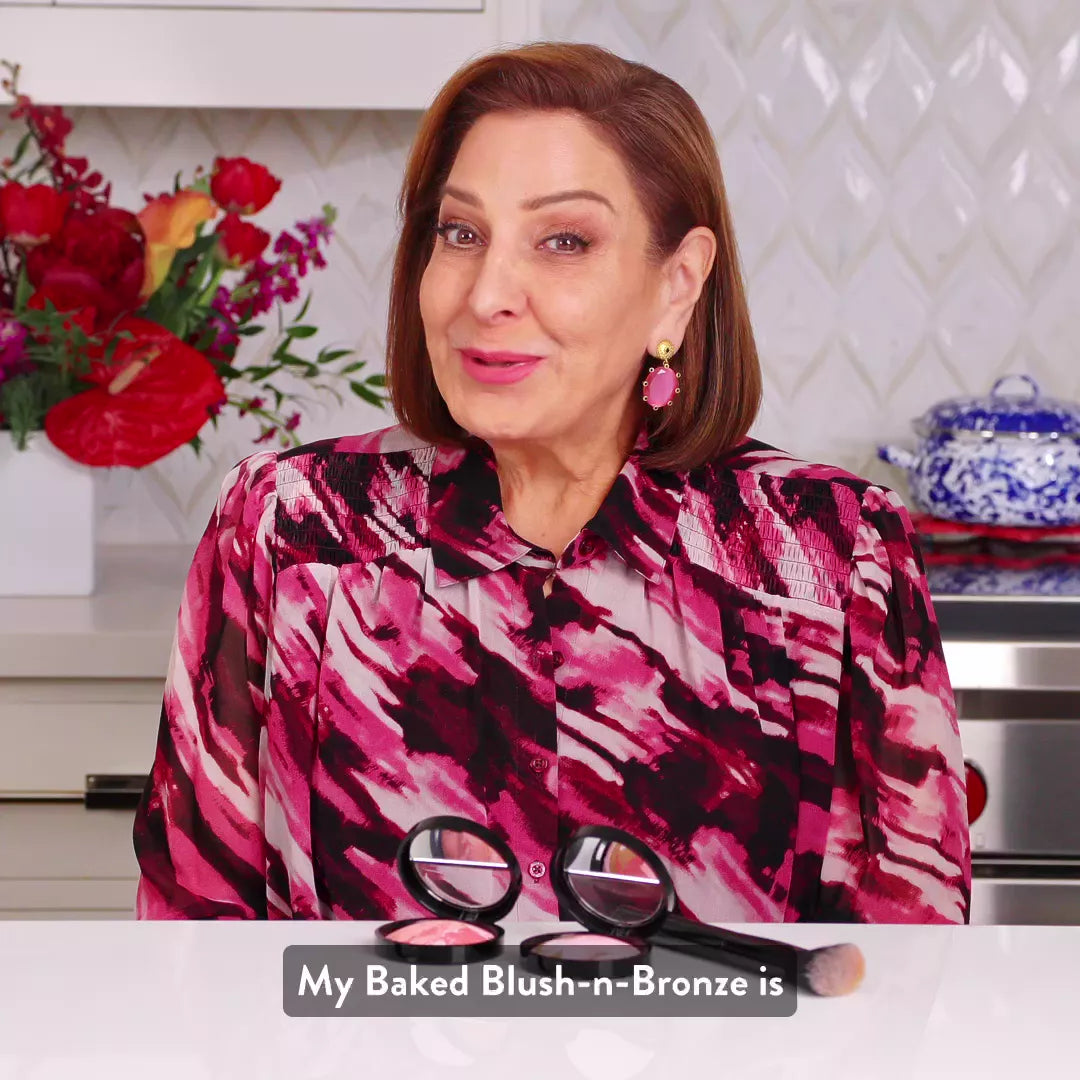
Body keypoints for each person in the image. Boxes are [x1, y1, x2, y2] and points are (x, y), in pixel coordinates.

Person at [132, 42, 971, 923]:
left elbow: (897, 981)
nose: (488, 292)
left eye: (563, 241)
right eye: (461, 234)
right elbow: (194, 943)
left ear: (678, 285)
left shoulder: (831, 556)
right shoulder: (290, 528)